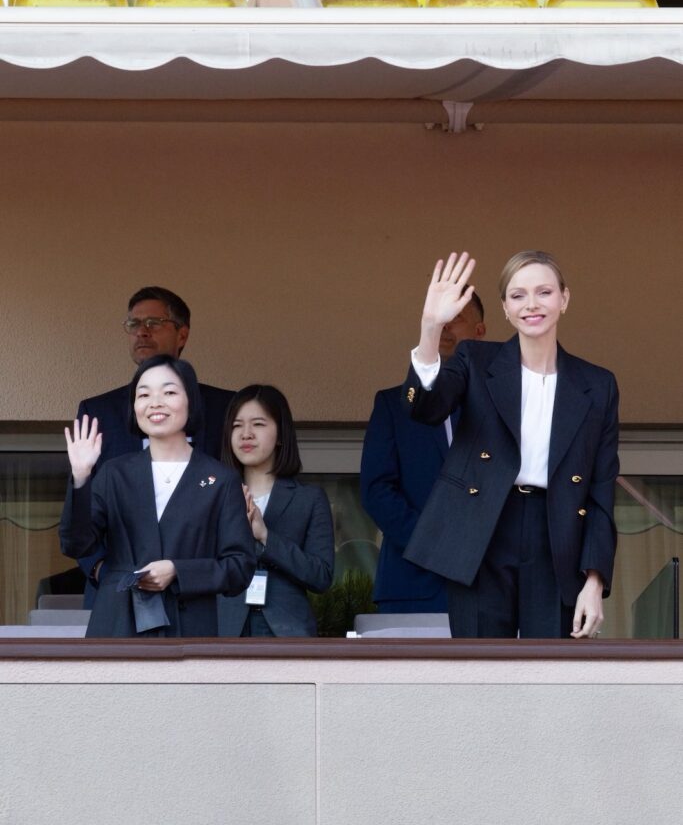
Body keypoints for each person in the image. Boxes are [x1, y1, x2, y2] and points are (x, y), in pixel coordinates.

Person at [402, 250, 619, 639]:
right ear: (504, 308)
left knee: (549, 677)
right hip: (481, 529)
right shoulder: (474, 358)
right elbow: (426, 408)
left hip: (557, 536)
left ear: (564, 299)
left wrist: (595, 580)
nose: (531, 304)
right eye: (518, 295)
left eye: (544, 292)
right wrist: (430, 327)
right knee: (480, 676)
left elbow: (601, 488)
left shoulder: (597, 384)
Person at [60, 355, 255, 638]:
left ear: (191, 401)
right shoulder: (114, 473)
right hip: (118, 624)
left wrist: (179, 571)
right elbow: (76, 544)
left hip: (189, 627)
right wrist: (80, 477)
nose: (155, 402)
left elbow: (240, 567)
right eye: (144, 394)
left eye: (169, 392)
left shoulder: (220, 479)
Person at [75, 286, 234, 603]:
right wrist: (100, 570)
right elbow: (81, 513)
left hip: (201, 593)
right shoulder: (99, 411)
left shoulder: (225, 408)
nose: (141, 333)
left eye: (153, 323)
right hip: (116, 590)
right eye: (134, 325)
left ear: (182, 334)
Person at [360, 294, 486, 613]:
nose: (444, 328)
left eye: (455, 318)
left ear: (480, 331)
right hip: (412, 581)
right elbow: (377, 490)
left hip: (489, 584)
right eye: (437, 320)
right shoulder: (394, 405)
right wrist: (434, 543)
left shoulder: (502, 404)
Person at [219, 385, 335, 637]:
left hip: (287, 631)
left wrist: (266, 537)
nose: (246, 434)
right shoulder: (215, 496)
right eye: (237, 425)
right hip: (224, 630)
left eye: (258, 424)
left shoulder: (309, 498)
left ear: (281, 434)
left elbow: (321, 576)